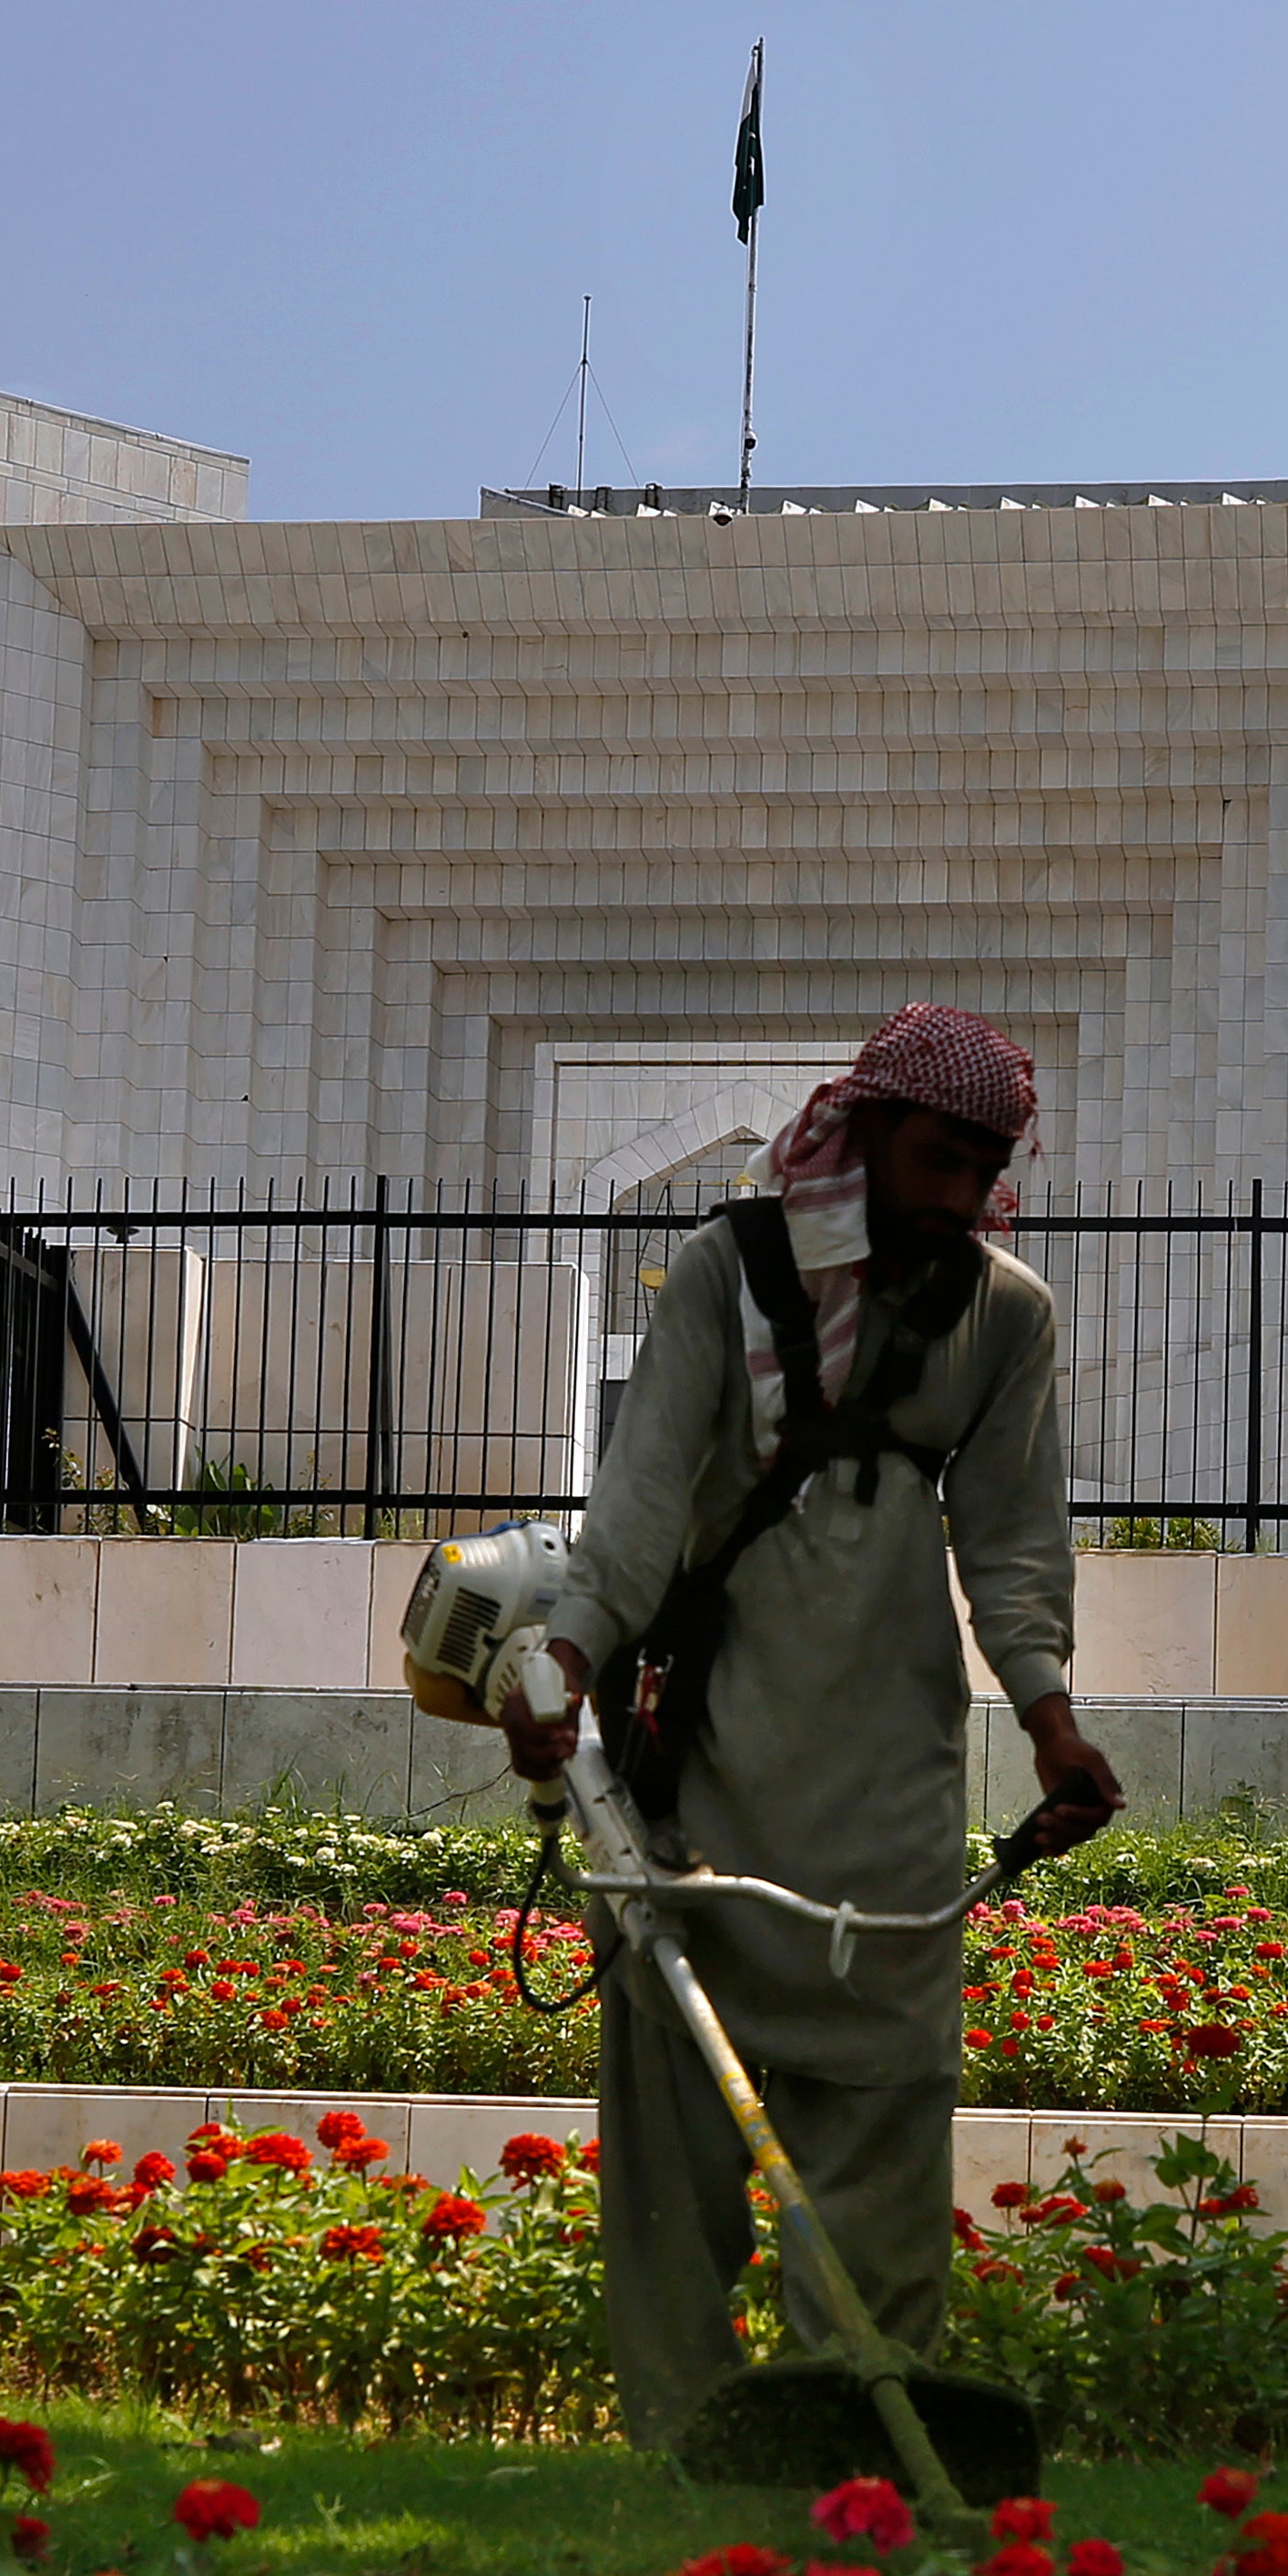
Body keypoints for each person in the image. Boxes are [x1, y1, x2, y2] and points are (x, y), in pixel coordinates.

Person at [498, 1004, 1121, 2447]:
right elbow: (644, 1500)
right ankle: (683, 2433)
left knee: (888, 2107)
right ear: (865, 1133)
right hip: (699, 1764)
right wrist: (571, 1661)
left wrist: (1052, 1723)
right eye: (934, 1157)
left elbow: (1017, 1551)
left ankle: (853, 2426)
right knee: (673, 2141)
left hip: (891, 1786)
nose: (957, 1196)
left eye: (985, 1168)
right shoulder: (728, 1271)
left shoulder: (1002, 1316)